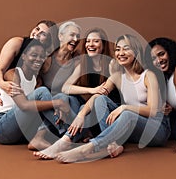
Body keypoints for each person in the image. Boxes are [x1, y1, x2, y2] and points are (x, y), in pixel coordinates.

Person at [34, 34, 170, 162]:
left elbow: (152, 111)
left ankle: (88, 149)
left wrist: (124, 107)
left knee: (127, 114)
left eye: (126, 49)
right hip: (134, 131)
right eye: (118, 49)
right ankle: (68, 141)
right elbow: (97, 97)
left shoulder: (148, 75)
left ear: (136, 52)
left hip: (156, 129)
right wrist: (81, 115)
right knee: (100, 100)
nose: (121, 53)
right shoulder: (117, 76)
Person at [31, 28, 120, 157]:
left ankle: (64, 141)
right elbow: (66, 87)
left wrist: (81, 114)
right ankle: (70, 136)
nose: (91, 44)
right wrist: (90, 90)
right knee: (64, 97)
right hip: (91, 113)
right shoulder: (84, 64)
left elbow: (101, 95)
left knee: (85, 107)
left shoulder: (111, 64)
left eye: (96, 41)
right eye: (88, 41)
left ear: (103, 45)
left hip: (109, 114)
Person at [0, 20, 58, 134]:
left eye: (43, 33)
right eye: (37, 29)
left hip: (17, 90)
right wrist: (1, 87)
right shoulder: (16, 43)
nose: (37, 33)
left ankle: (58, 131)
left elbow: (32, 84)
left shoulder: (43, 56)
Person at [0, 39, 70, 144]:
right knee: (43, 92)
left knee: (57, 98)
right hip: (2, 127)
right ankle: (68, 133)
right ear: (23, 56)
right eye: (33, 55)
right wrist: (57, 103)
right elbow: (24, 105)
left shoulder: (37, 80)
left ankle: (46, 136)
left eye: (41, 57)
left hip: (21, 131)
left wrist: (59, 101)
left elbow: (40, 107)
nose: (38, 59)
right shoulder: (13, 74)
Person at [27, 21, 82, 150]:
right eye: (72, 35)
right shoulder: (47, 58)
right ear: (60, 36)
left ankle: (61, 136)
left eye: (77, 36)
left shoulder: (77, 60)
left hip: (64, 106)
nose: (75, 39)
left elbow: (70, 89)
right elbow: (31, 82)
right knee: (49, 93)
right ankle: (70, 135)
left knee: (66, 97)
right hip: (46, 107)